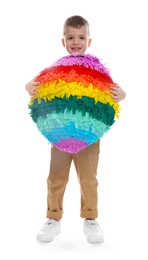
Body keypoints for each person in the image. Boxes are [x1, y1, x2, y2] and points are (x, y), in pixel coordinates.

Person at [25, 15, 126, 244]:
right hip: (59, 136)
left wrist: (122, 94)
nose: (76, 42)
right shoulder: (56, 67)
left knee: (89, 179)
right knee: (55, 178)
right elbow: (35, 84)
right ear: (63, 41)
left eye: (81, 37)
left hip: (89, 137)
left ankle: (90, 218)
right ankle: (53, 218)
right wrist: (29, 86)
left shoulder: (97, 69)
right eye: (70, 37)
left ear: (89, 41)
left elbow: (115, 90)